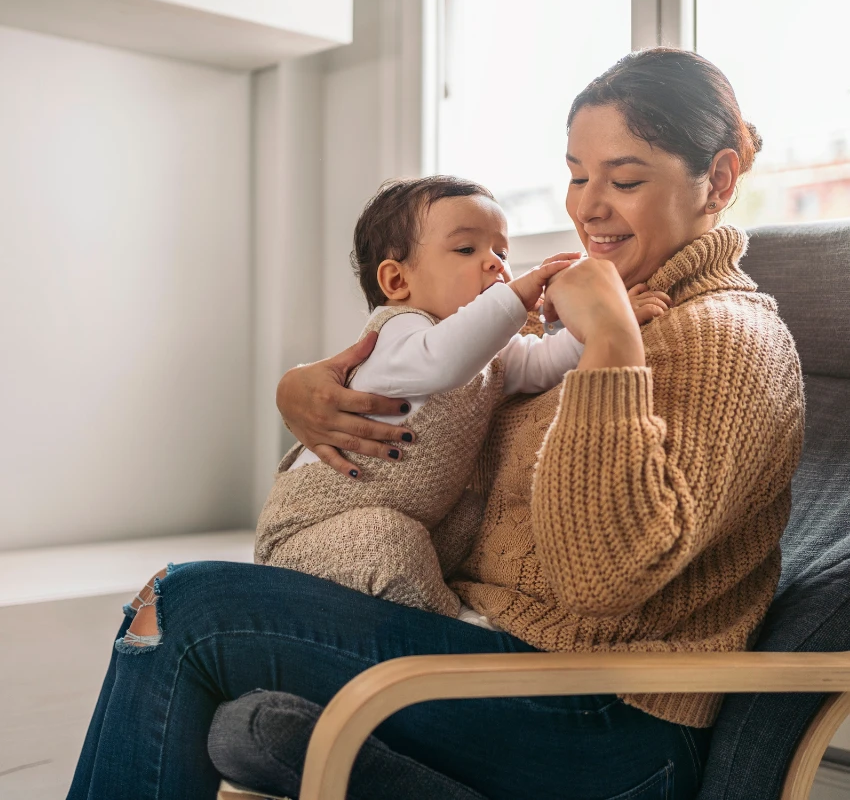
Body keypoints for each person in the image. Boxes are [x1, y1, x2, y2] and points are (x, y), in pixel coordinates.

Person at [67, 47, 804, 800]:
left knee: (186, 609)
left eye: (625, 179)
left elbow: (602, 579)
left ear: (717, 181)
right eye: (579, 175)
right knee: (180, 613)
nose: (587, 206)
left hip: (609, 720)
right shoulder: (593, 310)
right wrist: (302, 390)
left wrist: (613, 347)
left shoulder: (726, 338)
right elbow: (453, 418)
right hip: (502, 658)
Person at [252, 174, 669, 621]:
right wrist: (517, 294)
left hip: (408, 519)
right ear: (396, 281)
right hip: (309, 533)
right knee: (389, 540)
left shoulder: (487, 349)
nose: (496, 264)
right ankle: (455, 625)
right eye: (468, 250)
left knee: (473, 517)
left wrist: (609, 320)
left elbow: (543, 364)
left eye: (502, 253)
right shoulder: (399, 332)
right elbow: (444, 360)